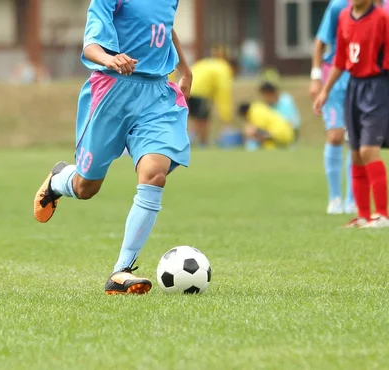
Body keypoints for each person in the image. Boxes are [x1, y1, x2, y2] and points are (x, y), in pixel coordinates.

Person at [33, 0, 192, 295]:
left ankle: (121, 271)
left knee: (155, 173)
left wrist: (185, 68)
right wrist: (110, 59)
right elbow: (90, 45)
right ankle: (58, 180)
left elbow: (165, 26)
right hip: (112, 91)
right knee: (86, 187)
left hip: (156, 94)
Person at [313, 0, 389, 228]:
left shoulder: (382, 18)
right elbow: (340, 60)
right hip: (353, 89)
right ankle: (364, 215)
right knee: (356, 153)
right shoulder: (344, 17)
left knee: (369, 150)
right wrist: (325, 91)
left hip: (377, 88)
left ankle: (384, 215)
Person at [188, 57, 237, 147]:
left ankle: (191, 139)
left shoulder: (214, 63)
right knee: (203, 120)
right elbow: (224, 96)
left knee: (195, 118)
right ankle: (202, 143)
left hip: (188, 87)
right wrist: (226, 119)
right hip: (201, 92)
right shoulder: (224, 70)